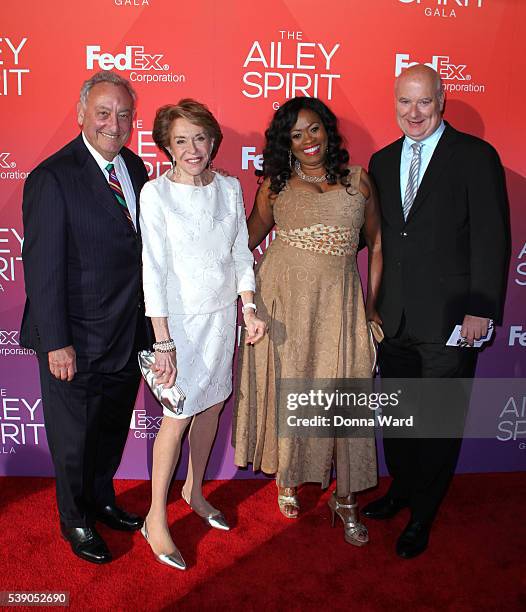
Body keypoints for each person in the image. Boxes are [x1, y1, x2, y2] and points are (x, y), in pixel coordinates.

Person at [363, 64, 509, 559]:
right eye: (405, 101)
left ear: (442, 99)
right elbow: (382, 242)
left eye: (424, 101)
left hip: (452, 319)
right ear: (395, 103)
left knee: (438, 420)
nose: (414, 112)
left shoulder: (475, 156)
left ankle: (423, 513)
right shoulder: (381, 162)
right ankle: (401, 490)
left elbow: (492, 238)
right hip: (395, 316)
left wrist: (481, 310)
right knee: (400, 416)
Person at [233, 96, 383, 546]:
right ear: (286, 143)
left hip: (340, 302)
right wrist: (249, 302)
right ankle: (288, 479)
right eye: (296, 135)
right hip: (283, 303)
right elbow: (245, 243)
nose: (307, 141)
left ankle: (348, 498)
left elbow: (376, 247)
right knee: (292, 386)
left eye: (314, 129)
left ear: (327, 130)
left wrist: (371, 310)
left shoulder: (359, 179)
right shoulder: (274, 186)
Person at [20, 71, 151, 564]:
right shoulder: (52, 177)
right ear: (81, 115)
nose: (113, 124)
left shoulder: (135, 170)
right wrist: (57, 341)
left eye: (123, 115)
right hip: (72, 341)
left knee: (111, 431)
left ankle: (100, 500)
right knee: (74, 440)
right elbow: (44, 267)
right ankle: (75, 520)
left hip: (125, 334)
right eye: (103, 113)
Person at [139, 99, 265, 570]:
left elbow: (239, 253)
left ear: (212, 141)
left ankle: (193, 490)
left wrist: (248, 306)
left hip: (219, 321)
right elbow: (153, 271)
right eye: (180, 141)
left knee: (211, 406)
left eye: (199, 138)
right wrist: (163, 341)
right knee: (176, 418)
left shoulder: (230, 188)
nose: (192, 148)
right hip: (177, 326)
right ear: (166, 147)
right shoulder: (156, 195)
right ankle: (156, 516)